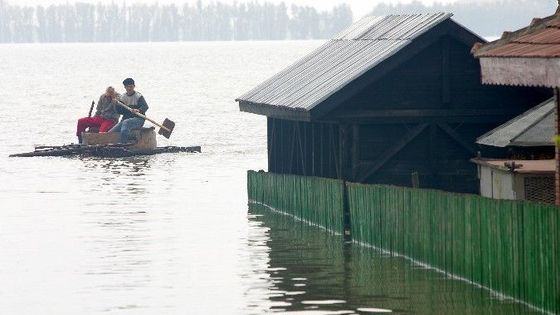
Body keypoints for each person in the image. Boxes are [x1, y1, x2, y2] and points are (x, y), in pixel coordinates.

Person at [109, 78, 149, 144]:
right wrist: (116, 105)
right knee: (111, 132)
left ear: (134, 86)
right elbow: (120, 112)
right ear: (125, 87)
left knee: (126, 122)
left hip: (138, 120)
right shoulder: (123, 97)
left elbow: (145, 107)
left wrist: (138, 110)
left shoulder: (138, 96)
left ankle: (124, 144)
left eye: (131, 86)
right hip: (126, 120)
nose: (129, 88)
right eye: (128, 87)